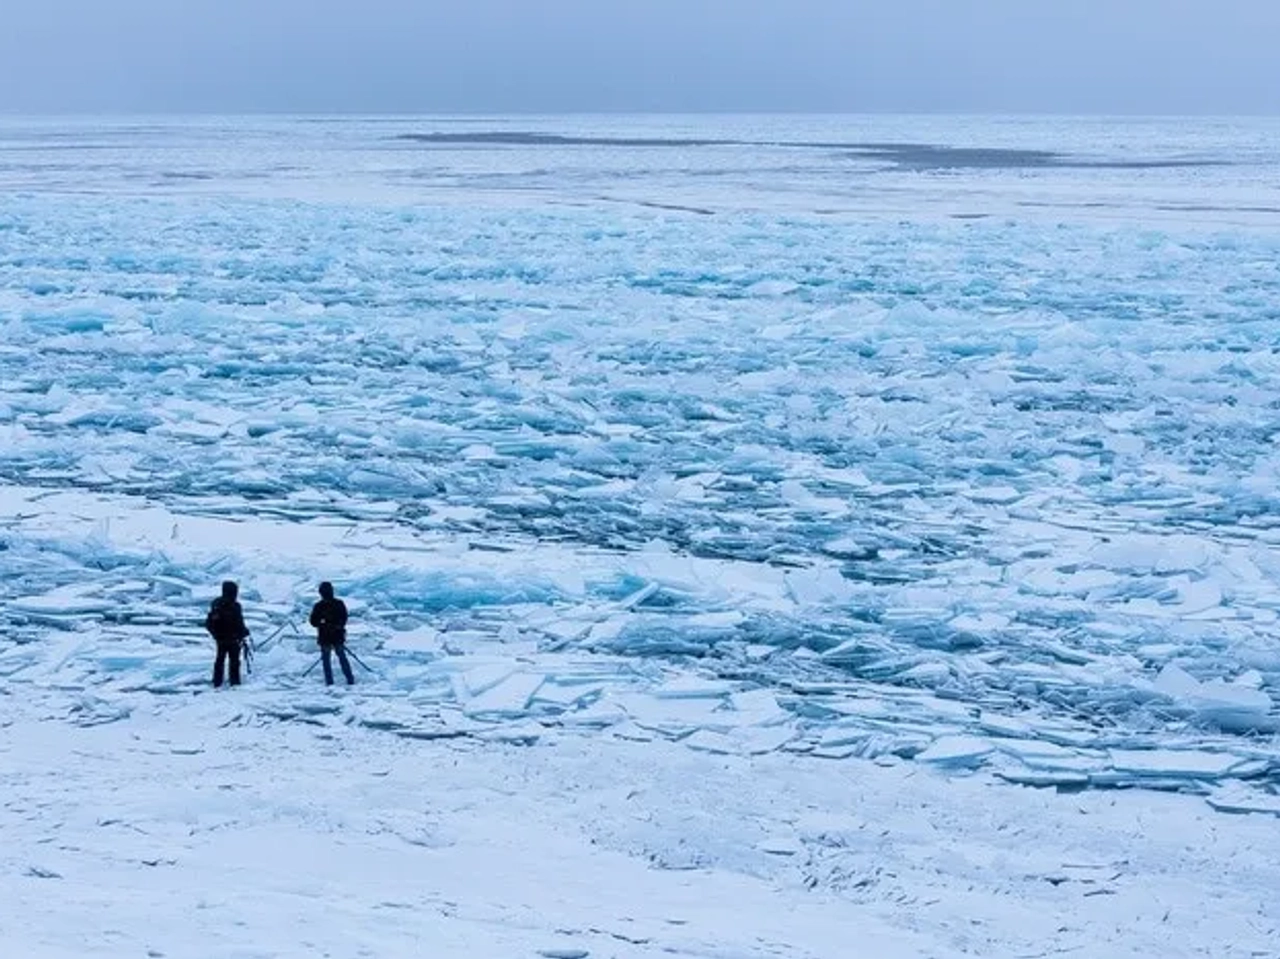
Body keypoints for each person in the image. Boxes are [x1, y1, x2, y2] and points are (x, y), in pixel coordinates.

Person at [205, 580, 250, 688]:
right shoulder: (230, 606)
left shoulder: (220, 604)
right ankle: (231, 682)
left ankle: (220, 682)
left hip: (227, 638)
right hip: (228, 638)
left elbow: (239, 622)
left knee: (223, 660)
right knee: (229, 660)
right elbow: (238, 622)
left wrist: (243, 632)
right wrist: (242, 632)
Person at [309, 581, 354, 686]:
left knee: (328, 660)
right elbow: (344, 619)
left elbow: (313, 622)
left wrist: (324, 623)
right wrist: (334, 625)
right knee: (340, 657)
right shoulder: (338, 603)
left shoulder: (319, 606)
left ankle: (331, 682)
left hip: (327, 636)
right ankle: (349, 679)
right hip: (334, 636)